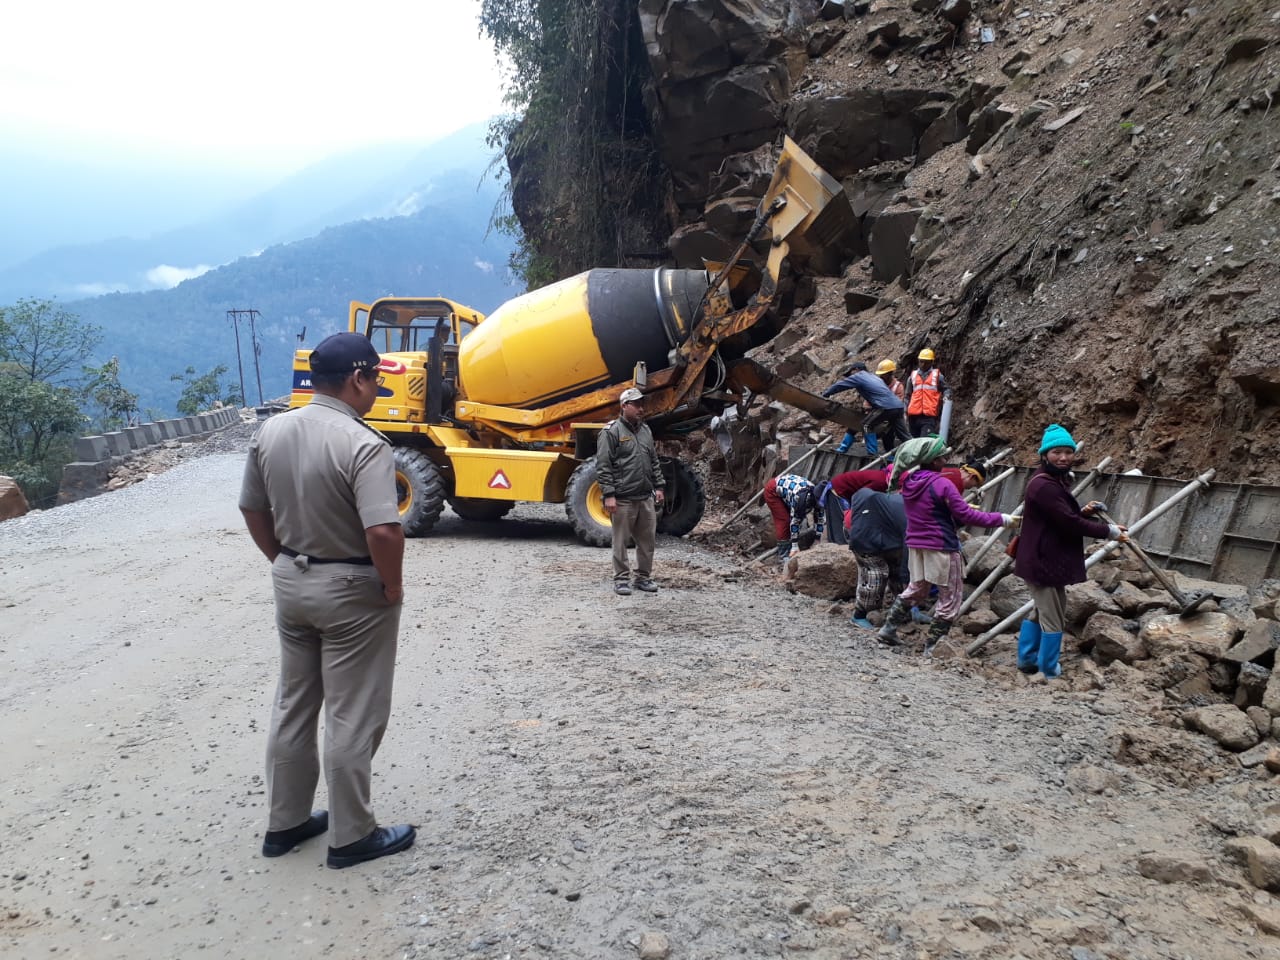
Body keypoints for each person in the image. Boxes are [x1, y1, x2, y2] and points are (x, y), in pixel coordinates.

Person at [239, 332, 415, 869]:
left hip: (292, 581)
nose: (378, 387)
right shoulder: (363, 443)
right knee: (352, 711)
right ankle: (352, 835)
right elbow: (383, 531)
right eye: (375, 378)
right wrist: (391, 586)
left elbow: (252, 509)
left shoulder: (272, 430)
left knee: (294, 704)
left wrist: (282, 558)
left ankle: (285, 823)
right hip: (352, 590)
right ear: (357, 378)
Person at [877, 437, 1019, 653]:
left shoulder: (912, 481)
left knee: (917, 589)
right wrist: (1002, 519)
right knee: (950, 597)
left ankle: (888, 629)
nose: (946, 460)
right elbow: (966, 516)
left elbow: (930, 509)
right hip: (941, 545)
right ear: (934, 460)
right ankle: (933, 646)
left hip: (916, 545)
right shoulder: (942, 483)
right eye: (943, 457)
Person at [1014, 424, 1127, 678]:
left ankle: (1027, 658)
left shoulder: (1053, 480)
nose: (1064, 457)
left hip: (1043, 558)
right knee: (1053, 616)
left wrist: (1083, 511)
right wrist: (1108, 531)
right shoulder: (1045, 486)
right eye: (1057, 452)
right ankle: (1048, 668)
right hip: (1043, 561)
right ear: (1045, 455)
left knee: (1041, 610)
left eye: (1068, 452)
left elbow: (1059, 515)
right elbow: (1069, 523)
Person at [598, 387, 666, 596]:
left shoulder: (645, 430)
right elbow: (603, 465)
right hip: (623, 499)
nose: (641, 408)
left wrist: (659, 486)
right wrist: (609, 495)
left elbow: (653, 460)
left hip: (645, 497)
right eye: (636, 404)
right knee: (620, 542)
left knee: (647, 542)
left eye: (641, 404)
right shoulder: (611, 432)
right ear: (624, 406)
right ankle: (621, 579)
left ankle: (643, 578)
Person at [846, 487, 912, 629]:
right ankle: (859, 615)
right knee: (876, 575)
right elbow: (909, 545)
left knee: (897, 573)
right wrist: (906, 577)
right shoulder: (911, 514)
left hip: (887, 539)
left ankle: (904, 612)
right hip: (866, 539)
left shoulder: (911, 508)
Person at [823, 362, 911, 453]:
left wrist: (825, 394)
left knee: (866, 425)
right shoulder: (874, 377)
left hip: (884, 407)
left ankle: (872, 453)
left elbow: (839, 386)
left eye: (850, 373)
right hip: (898, 407)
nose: (850, 376)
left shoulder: (859, 376)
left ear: (856, 370)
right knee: (903, 434)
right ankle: (917, 450)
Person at [763, 473, 825, 565]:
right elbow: (794, 521)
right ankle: (783, 554)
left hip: (788, 490)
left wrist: (817, 540)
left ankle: (792, 546)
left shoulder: (820, 495)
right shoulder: (801, 498)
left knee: (799, 518)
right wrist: (795, 546)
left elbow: (820, 518)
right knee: (784, 520)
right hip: (773, 490)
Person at [904, 348, 950, 438]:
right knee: (914, 442)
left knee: (924, 442)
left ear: (932, 362)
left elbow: (946, 389)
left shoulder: (938, 376)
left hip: (928, 417)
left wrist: (946, 396)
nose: (923, 364)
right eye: (921, 361)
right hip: (913, 417)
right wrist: (905, 412)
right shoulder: (912, 377)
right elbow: (907, 396)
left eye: (926, 362)